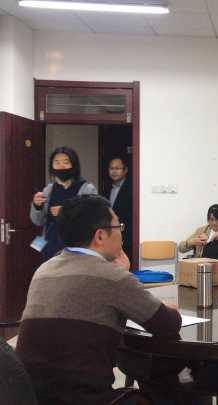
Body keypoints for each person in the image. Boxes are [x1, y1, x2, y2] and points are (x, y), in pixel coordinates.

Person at [16, 195, 181, 404]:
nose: (121, 233)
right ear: (100, 236)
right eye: (119, 226)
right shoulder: (112, 276)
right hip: (84, 399)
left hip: (32, 396)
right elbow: (168, 324)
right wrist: (166, 306)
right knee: (164, 382)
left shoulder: (44, 269)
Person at [30, 146, 97, 260]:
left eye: (66, 162)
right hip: (51, 249)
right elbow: (38, 221)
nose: (61, 166)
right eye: (57, 163)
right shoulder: (48, 190)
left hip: (76, 250)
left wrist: (67, 211)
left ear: (74, 165)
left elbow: (93, 219)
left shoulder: (87, 189)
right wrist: (37, 206)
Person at [102, 157, 133, 263]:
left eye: (117, 168)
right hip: (109, 234)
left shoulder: (133, 187)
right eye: (111, 168)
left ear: (125, 170)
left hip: (126, 236)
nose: (114, 171)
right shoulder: (106, 187)